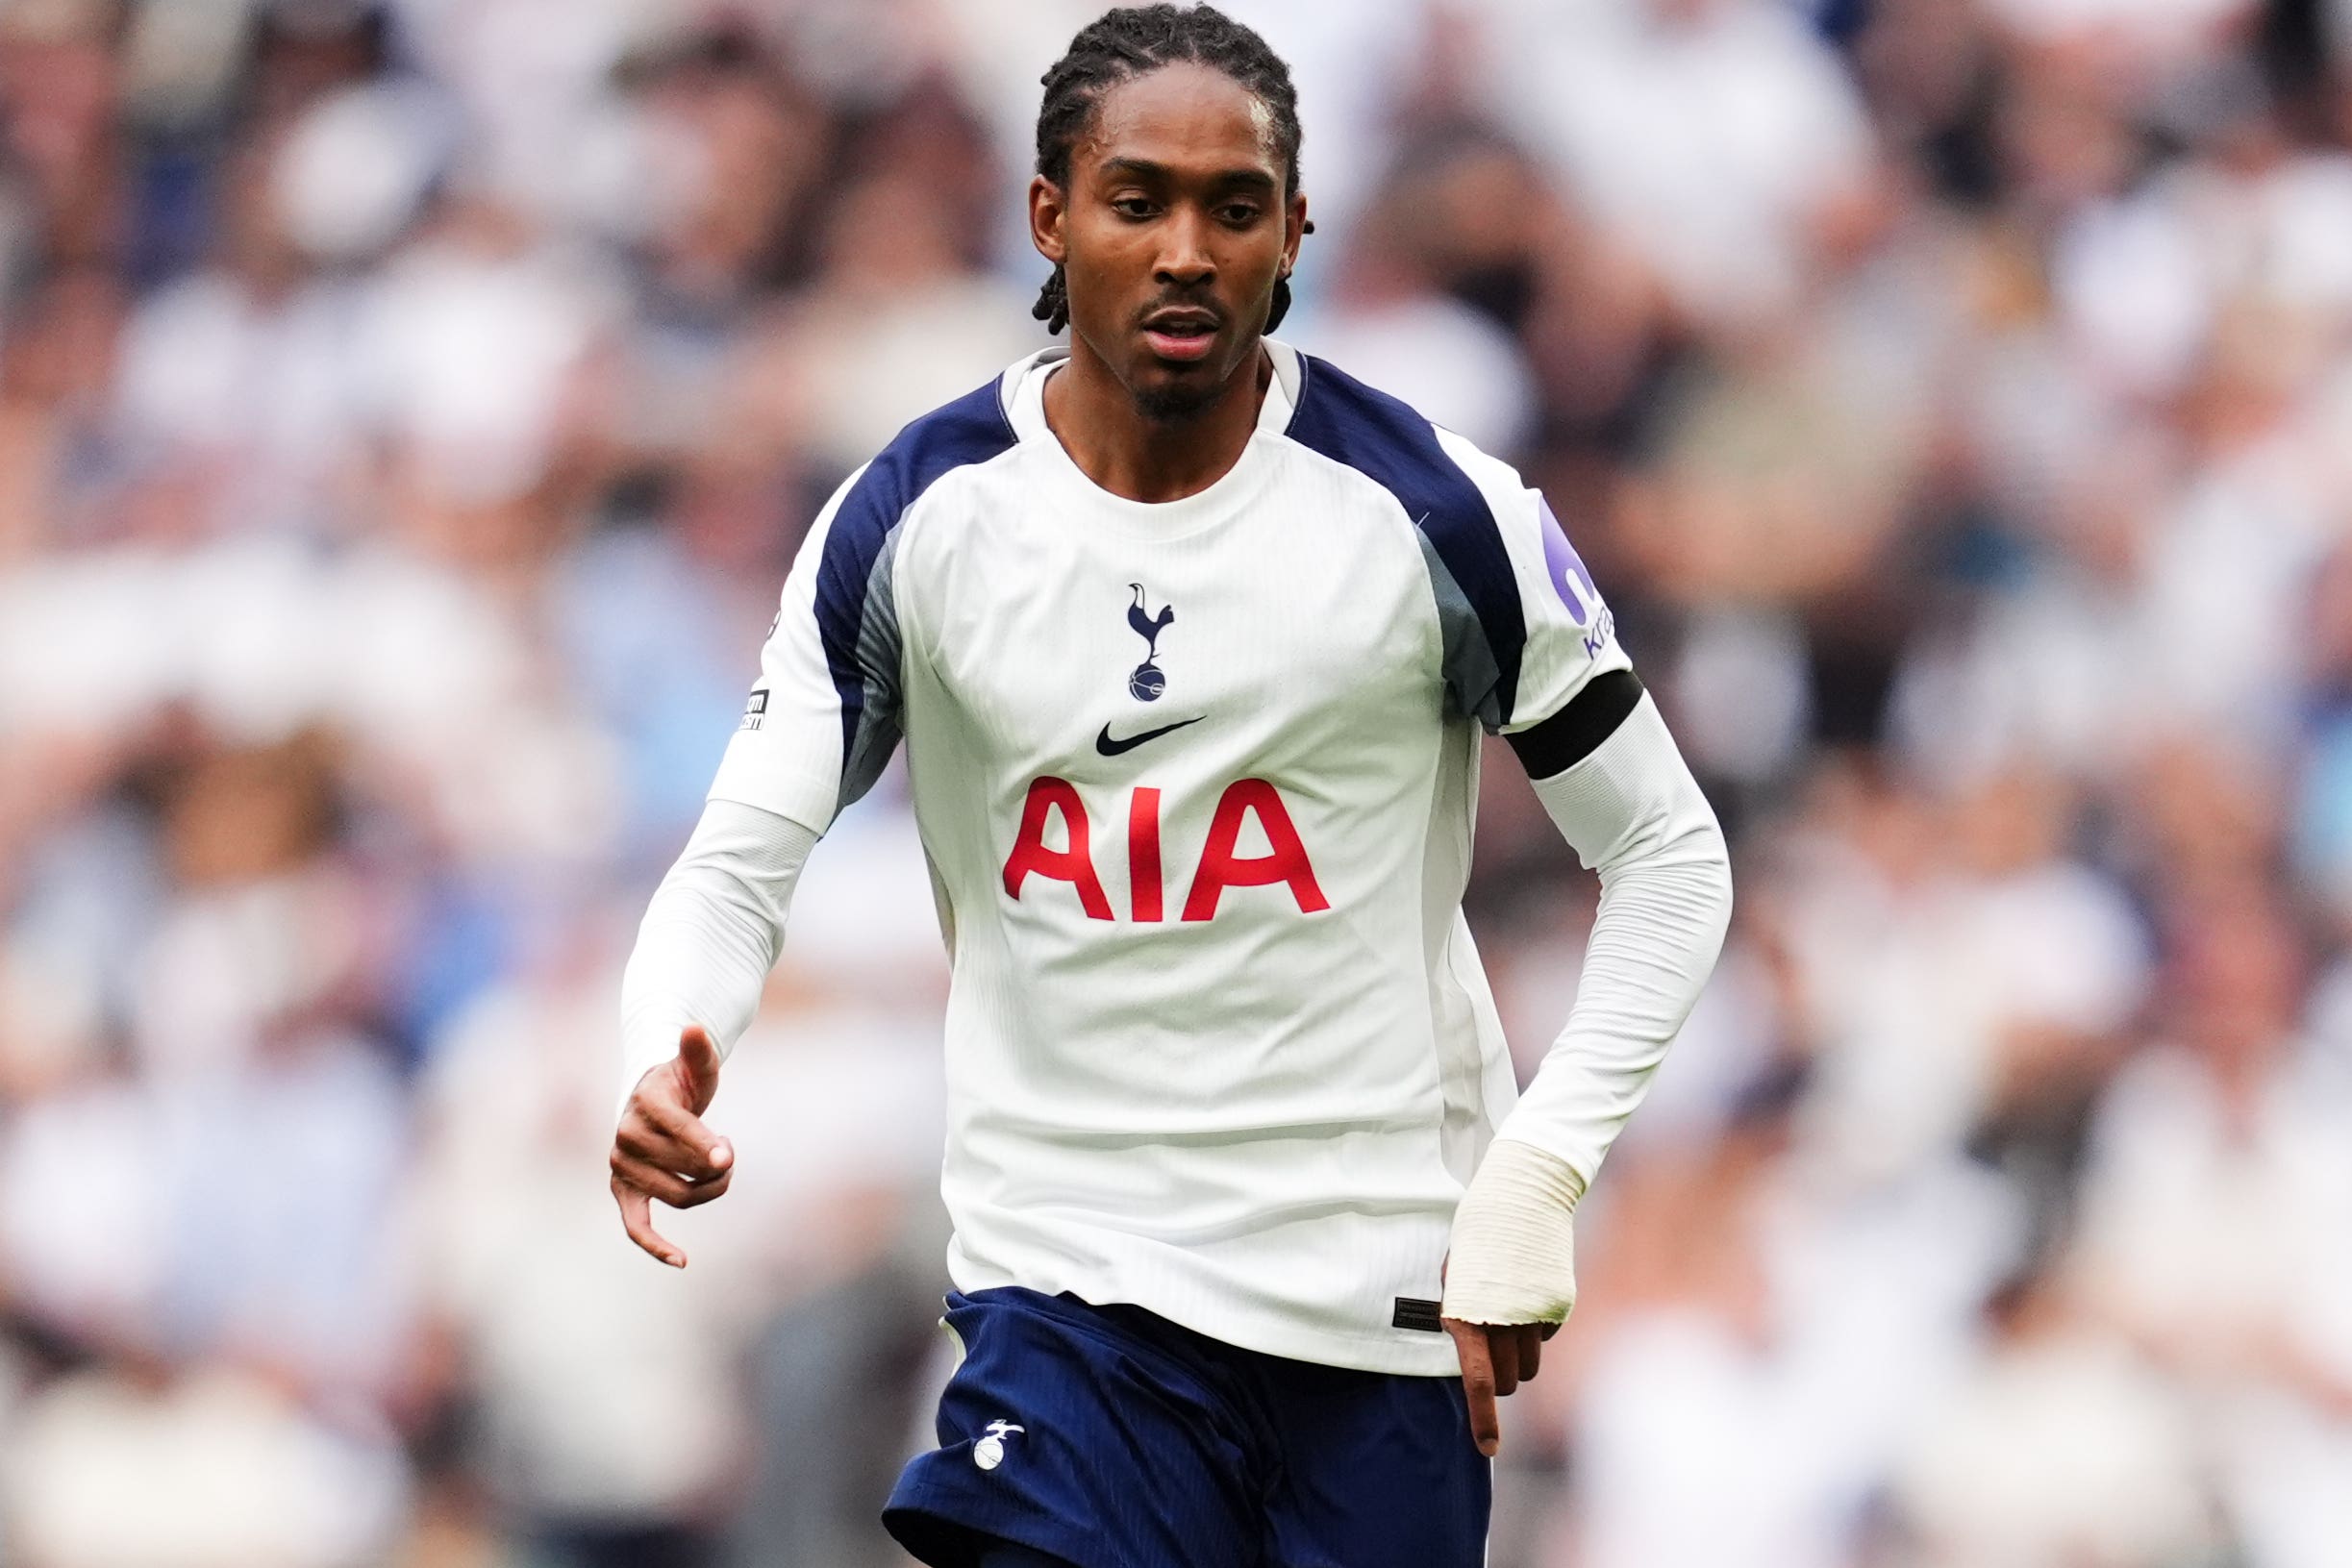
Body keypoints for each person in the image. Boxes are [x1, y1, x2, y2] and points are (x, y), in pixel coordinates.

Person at [609, 7, 1733, 1566]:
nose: (1187, 248)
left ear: (1296, 232)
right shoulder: (921, 519)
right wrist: (666, 1052)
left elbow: (1670, 857)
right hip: (1071, 1307)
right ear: (1050, 218)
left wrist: (1537, 1172)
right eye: (1138, 200)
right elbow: (739, 861)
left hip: (1371, 1316)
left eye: (1234, 205)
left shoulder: (1433, 515)